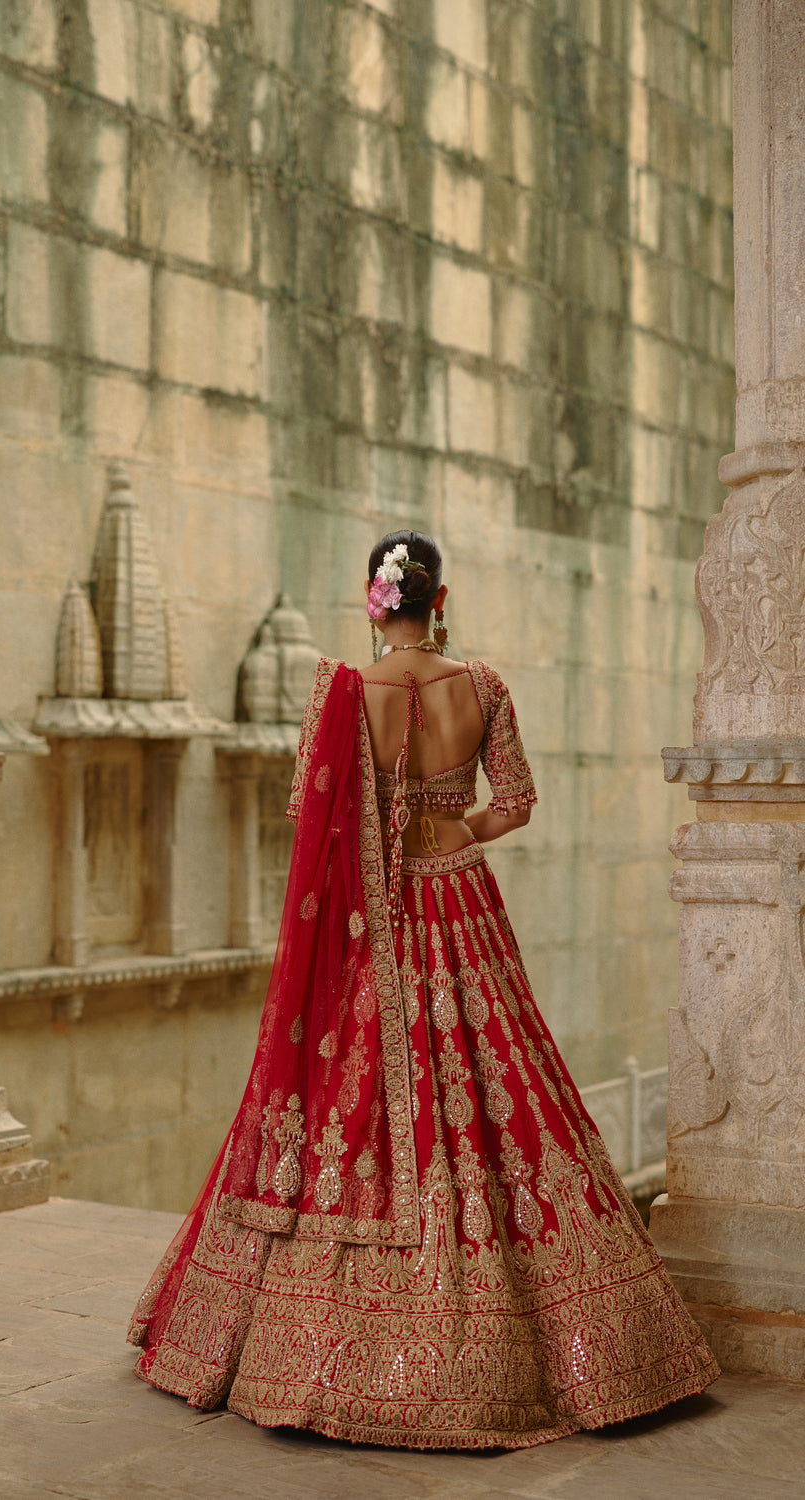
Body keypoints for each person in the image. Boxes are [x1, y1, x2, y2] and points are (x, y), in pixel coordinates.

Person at [127, 529, 719, 1450]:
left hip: (379, 918)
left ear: (375, 602)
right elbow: (516, 802)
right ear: (438, 601)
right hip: (463, 900)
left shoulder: (345, 694)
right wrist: (455, 829)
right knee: (503, 1080)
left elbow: (314, 820)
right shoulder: (483, 687)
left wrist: (385, 834)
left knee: (362, 1091)